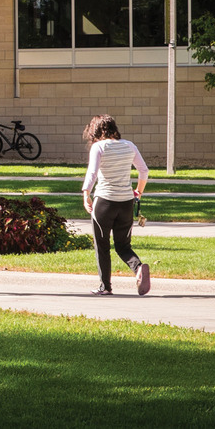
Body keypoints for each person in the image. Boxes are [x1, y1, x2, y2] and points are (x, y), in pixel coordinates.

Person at [82, 114, 151, 296]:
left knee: (102, 245)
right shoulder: (129, 146)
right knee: (123, 245)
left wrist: (86, 194)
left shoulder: (99, 147)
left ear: (96, 130)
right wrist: (139, 192)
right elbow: (144, 171)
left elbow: (92, 173)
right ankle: (138, 268)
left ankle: (105, 287)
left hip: (104, 202)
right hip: (126, 202)